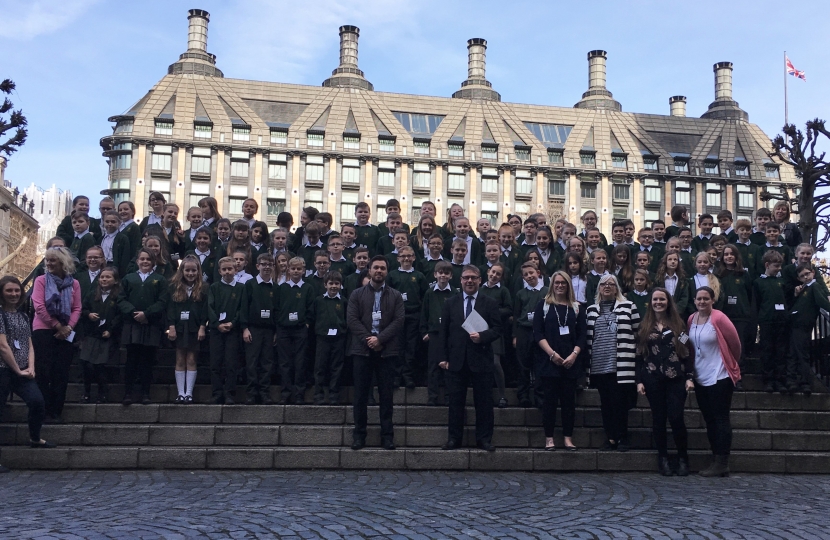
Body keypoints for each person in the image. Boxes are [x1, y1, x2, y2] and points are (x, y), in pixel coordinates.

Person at [438, 265, 503, 452]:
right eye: (466, 277)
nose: (469, 281)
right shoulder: (450, 303)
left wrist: (482, 337)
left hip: (481, 358)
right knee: (455, 403)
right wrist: (443, 357)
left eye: (473, 278)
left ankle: (484, 439)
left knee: (483, 403)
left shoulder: (489, 302)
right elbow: (443, 333)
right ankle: (454, 439)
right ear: (460, 280)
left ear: (480, 280)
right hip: (456, 360)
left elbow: (498, 329)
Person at [347, 255, 405, 451]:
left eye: (382, 268)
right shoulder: (357, 294)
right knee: (361, 396)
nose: (379, 271)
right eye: (376, 268)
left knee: (386, 396)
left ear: (387, 271)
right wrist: (369, 339)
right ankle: (359, 435)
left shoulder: (395, 295)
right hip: (362, 351)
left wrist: (380, 339)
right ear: (369, 270)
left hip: (386, 351)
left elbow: (398, 321)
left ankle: (387, 436)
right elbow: (352, 320)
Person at [0, 275, 55, 472]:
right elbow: (3, 346)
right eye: (9, 291)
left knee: (37, 401)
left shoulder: (23, 315)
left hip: (23, 369)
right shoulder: (0, 315)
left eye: (17, 290)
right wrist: (17, 369)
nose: (14, 294)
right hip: (4, 370)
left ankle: (35, 437)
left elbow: (29, 343)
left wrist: (31, 367)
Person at [635, 288, 693, 476]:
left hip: (675, 377)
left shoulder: (678, 325)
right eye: (655, 299)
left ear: (668, 302)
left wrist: (690, 377)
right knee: (658, 419)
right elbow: (639, 355)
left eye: (662, 299)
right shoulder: (644, 326)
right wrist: (638, 381)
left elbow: (686, 350)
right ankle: (663, 459)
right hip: (652, 379)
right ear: (650, 302)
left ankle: (683, 458)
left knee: (676, 418)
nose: (658, 302)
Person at [687, 286, 741, 477]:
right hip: (701, 376)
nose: (702, 302)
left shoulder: (719, 318)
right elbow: (689, 343)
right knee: (709, 419)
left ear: (712, 300)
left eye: (705, 299)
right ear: (694, 301)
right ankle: (715, 457)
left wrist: (731, 363)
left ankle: (722, 461)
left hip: (720, 375)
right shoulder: (691, 319)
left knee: (720, 418)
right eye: (699, 299)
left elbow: (735, 343)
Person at [586, 274, 640, 452]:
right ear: (599, 288)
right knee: (606, 404)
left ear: (617, 288)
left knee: (620, 404)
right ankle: (610, 438)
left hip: (621, 365)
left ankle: (622, 437)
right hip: (599, 366)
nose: (607, 286)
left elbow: (637, 332)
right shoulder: (591, 310)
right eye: (603, 284)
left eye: (611, 284)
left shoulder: (628, 306)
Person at [533, 271, 586, 451]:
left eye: (563, 283)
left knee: (568, 403)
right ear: (552, 285)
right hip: (549, 361)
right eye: (557, 283)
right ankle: (549, 438)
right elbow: (538, 333)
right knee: (549, 402)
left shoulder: (576, 307)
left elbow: (582, 335)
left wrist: (574, 354)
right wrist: (551, 354)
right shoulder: (544, 305)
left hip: (570, 362)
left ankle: (567, 438)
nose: (560, 286)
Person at [31, 247, 81, 423]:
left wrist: (68, 327)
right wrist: (57, 325)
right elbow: (38, 306)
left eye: (53, 260)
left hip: (66, 332)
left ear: (62, 262)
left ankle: (56, 410)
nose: (49, 263)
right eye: (47, 260)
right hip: (43, 330)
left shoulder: (74, 283)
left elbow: (77, 308)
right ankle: (43, 409)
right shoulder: (40, 280)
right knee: (43, 371)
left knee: (61, 373)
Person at [118, 248, 169, 405]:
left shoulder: (159, 279)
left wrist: (147, 314)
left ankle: (145, 393)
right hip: (132, 325)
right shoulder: (129, 278)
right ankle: (128, 393)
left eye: (148, 259)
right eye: (142, 259)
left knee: (147, 360)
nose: (145, 262)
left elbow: (162, 301)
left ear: (153, 262)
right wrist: (133, 313)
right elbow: (121, 299)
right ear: (137, 261)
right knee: (131, 360)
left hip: (150, 325)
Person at [167, 255, 207, 404]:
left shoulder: (204, 288)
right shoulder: (174, 286)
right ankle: (181, 393)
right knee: (179, 358)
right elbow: (170, 308)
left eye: (193, 270)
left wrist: (202, 326)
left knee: (191, 359)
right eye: (187, 270)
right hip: (178, 327)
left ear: (198, 271)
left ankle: (189, 393)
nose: (190, 273)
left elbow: (204, 310)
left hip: (195, 328)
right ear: (182, 270)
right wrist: (171, 326)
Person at [79, 266, 122, 404]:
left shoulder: (118, 296)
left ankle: (102, 392)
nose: (104, 279)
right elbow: (83, 309)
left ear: (115, 280)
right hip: (91, 334)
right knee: (86, 364)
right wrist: (88, 314)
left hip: (106, 336)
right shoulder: (92, 294)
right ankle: (86, 392)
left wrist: (111, 330)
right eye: (102, 277)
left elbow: (120, 315)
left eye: (108, 277)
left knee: (100, 366)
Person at [240, 254, 277, 405]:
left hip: (269, 330)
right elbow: (243, 307)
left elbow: (277, 310)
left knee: (267, 362)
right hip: (253, 329)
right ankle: (251, 393)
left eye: (269, 264)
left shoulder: (275, 287)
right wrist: (245, 328)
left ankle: (264, 392)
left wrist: (276, 331)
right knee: (252, 362)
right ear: (257, 266)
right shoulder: (250, 284)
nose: (267, 267)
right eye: (264, 264)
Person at [207, 256, 243, 405]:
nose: (227, 272)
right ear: (220, 271)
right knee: (216, 363)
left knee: (231, 363)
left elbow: (242, 308)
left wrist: (233, 323)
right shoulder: (214, 287)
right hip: (217, 330)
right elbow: (210, 307)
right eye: (224, 269)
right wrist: (217, 324)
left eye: (230, 269)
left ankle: (229, 393)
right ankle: (217, 393)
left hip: (233, 331)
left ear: (235, 270)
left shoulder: (241, 288)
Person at [421, 261, 457, 407]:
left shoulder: (455, 292)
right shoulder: (430, 293)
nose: (443, 275)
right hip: (434, 334)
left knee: (449, 366)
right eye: (440, 272)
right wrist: (424, 331)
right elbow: (424, 313)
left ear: (451, 275)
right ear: (435, 274)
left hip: (449, 335)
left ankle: (449, 396)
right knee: (433, 366)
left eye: (446, 273)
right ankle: (433, 396)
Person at [479, 263, 512, 409]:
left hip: (496, 331)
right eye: (493, 272)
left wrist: (493, 312)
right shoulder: (480, 289)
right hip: (480, 329)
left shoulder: (503, 291)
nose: (494, 276)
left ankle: (502, 395)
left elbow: (509, 309)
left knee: (495, 363)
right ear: (488, 272)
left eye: (498, 274)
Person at [311, 271, 347, 405]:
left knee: (336, 366)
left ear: (340, 285)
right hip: (322, 338)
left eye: (336, 283)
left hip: (338, 338)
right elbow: (314, 317)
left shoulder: (343, 301)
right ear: (325, 285)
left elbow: (345, 319)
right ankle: (318, 394)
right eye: (331, 283)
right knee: (320, 366)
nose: (333, 286)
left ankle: (334, 394)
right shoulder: (319, 300)